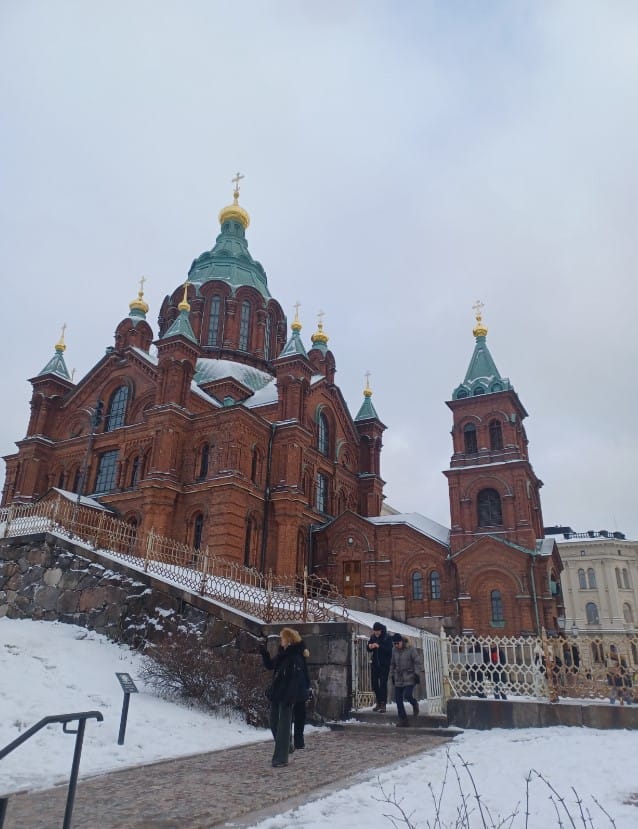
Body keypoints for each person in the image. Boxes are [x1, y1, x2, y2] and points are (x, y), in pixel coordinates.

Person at [261, 627, 309, 767]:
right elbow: (271, 665)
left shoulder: (295, 657)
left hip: (288, 695)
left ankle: (280, 758)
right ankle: (287, 746)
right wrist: (264, 654)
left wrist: (292, 696)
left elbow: (297, 679)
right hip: (278, 693)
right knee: (273, 722)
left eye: (282, 638)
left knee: (283, 727)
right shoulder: (284, 654)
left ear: (288, 640)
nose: (280, 640)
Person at [390, 633, 420, 727]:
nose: (396, 645)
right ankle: (403, 719)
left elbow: (417, 662)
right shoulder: (394, 650)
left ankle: (414, 703)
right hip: (398, 677)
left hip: (409, 676)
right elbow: (392, 664)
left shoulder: (411, 649)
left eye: (397, 643)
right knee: (398, 699)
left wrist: (416, 674)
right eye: (394, 644)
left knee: (408, 695)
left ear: (402, 641)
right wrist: (392, 675)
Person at [368, 621, 392, 712]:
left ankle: (383, 704)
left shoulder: (387, 637)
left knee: (383, 684)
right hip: (375, 664)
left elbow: (389, 650)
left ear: (381, 630)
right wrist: (370, 646)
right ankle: (378, 702)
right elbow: (368, 648)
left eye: (378, 631)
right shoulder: (373, 637)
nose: (376, 633)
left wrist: (379, 646)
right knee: (374, 683)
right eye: (375, 631)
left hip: (384, 665)